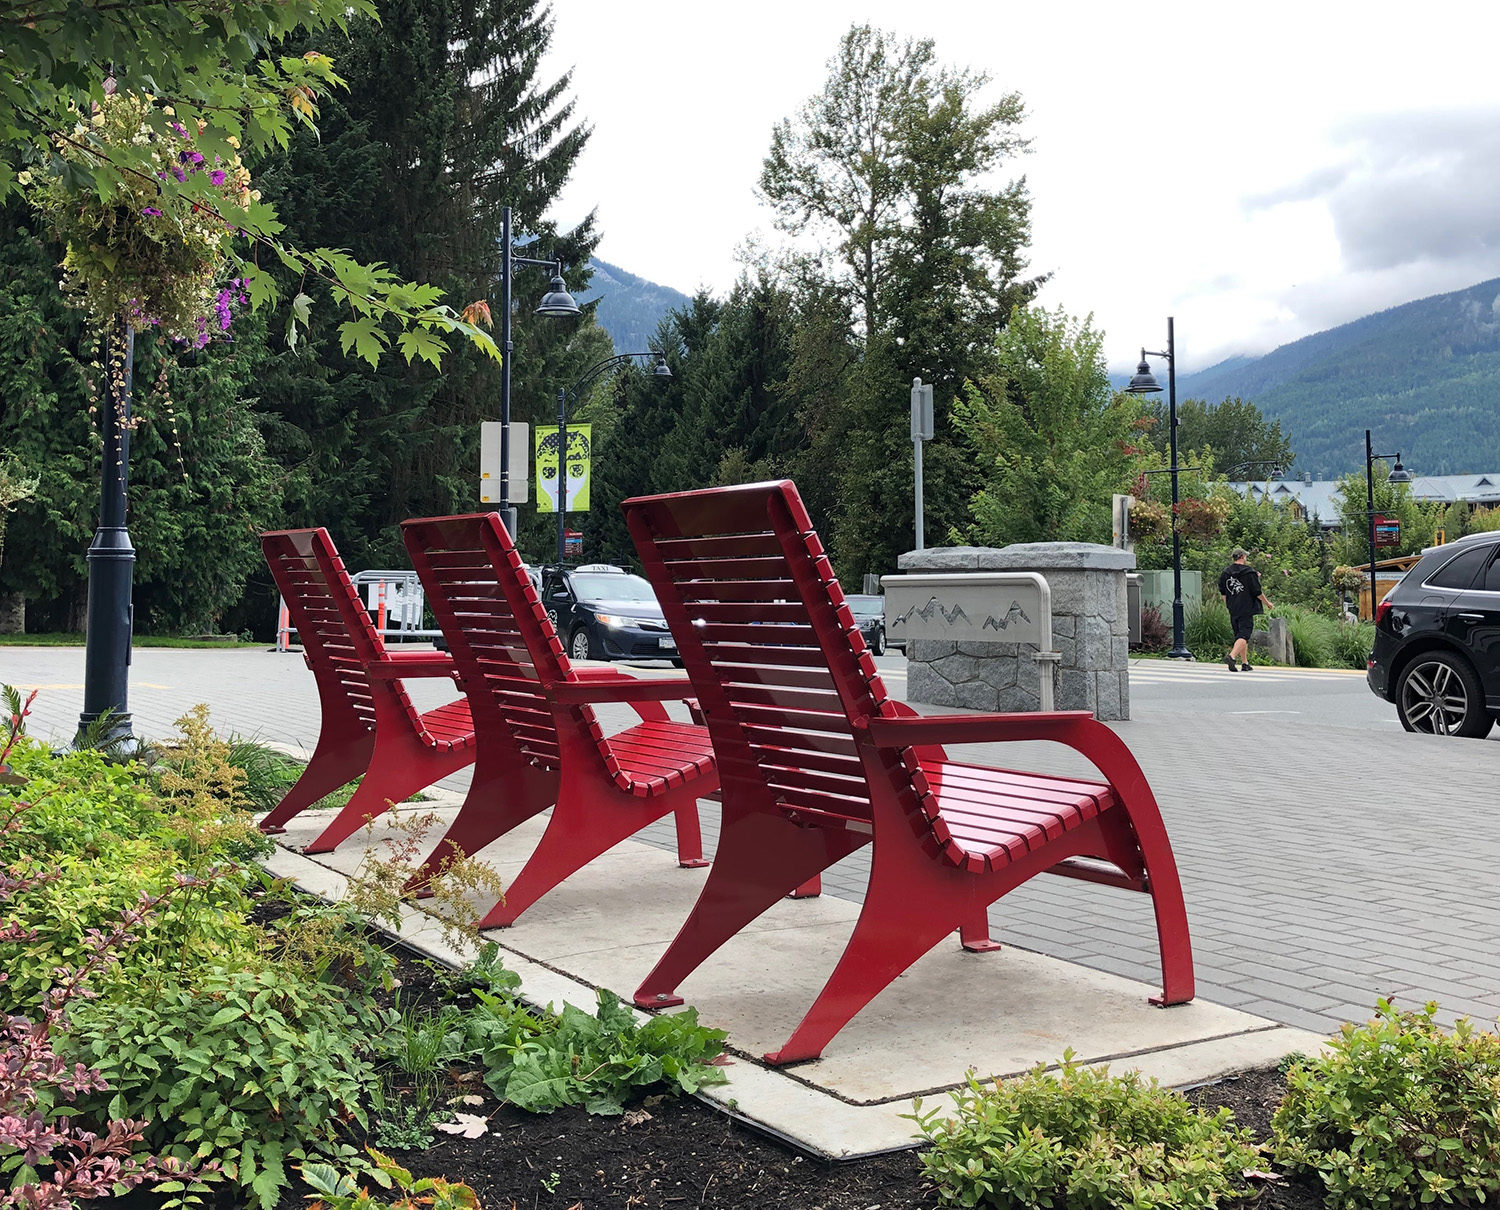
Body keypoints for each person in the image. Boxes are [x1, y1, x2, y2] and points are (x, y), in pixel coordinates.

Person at [1218, 547, 1273, 671]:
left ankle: (1245, 663)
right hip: (1246, 607)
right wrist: (1267, 603)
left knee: (1239, 635)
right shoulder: (1249, 572)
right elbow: (1257, 591)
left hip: (1233, 608)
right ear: (1242, 557)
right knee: (1244, 635)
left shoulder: (1226, 573)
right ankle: (1231, 657)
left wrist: (1229, 604)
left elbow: (1223, 592)